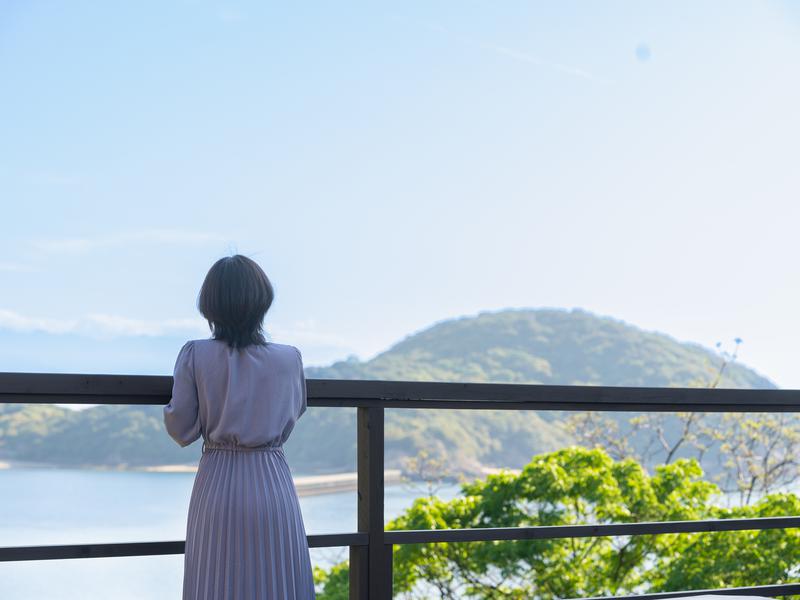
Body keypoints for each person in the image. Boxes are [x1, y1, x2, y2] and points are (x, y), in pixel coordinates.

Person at [163, 254, 315, 599]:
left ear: (209, 305)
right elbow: (297, 409)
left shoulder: (195, 354)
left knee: (216, 582)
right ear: (263, 301)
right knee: (279, 581)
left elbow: (181, 428)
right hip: (272, 479)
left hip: (218, 482)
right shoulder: (290, 357)